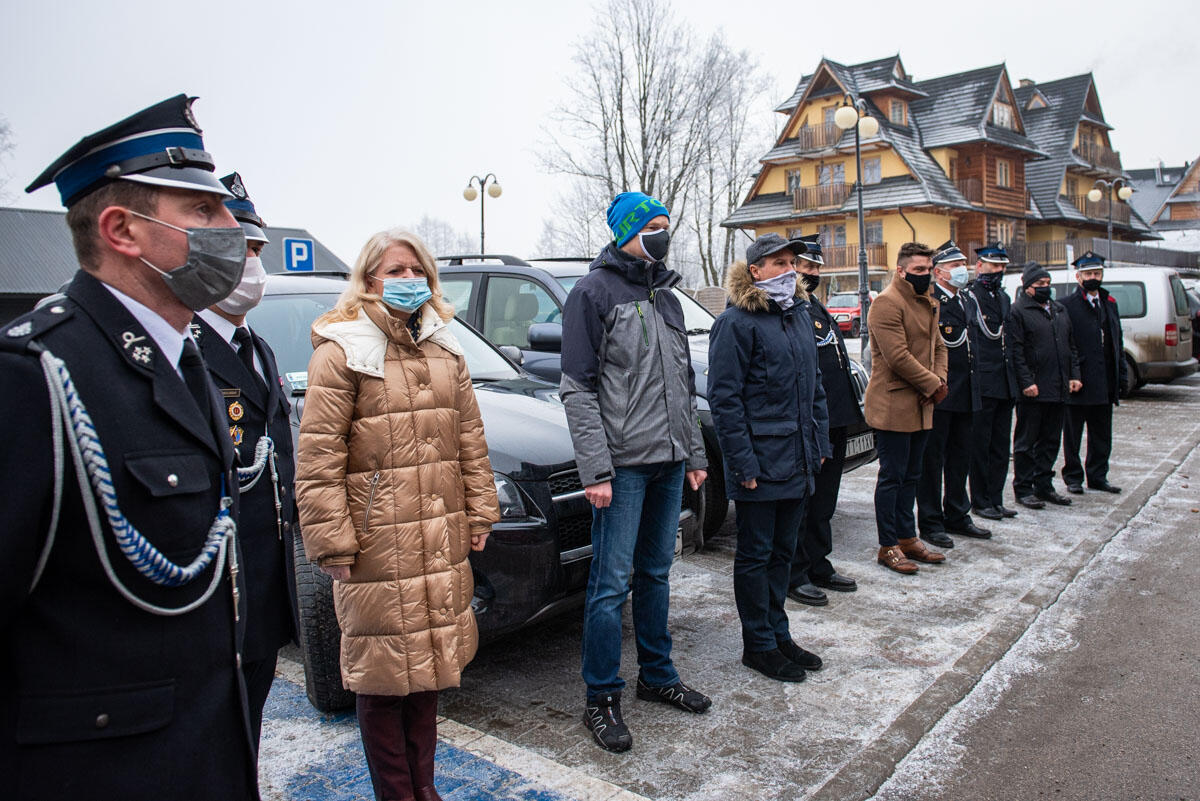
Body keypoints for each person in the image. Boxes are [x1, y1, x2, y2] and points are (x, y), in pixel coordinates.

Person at [0, 95, 259, 799]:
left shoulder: (188, 356)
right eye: (203, 212)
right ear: (123, 230)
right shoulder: (34, 377)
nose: (230, 227)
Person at [295, 229, 500, 801]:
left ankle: (425, 789)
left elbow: (469, 440)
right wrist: (332, 541)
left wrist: (481, 511)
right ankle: (397, 793)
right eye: (395, 270)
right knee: (383, 676)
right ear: (368, 279)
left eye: (417, 270)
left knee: (431, 667)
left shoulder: (446, 348)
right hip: (376, 542)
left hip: (436, 532)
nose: (409, 281)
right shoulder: (342, 349)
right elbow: (318, 457)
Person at [560, 191, 710, 753]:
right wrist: (596, 469)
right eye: (653, 226)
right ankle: (600, 697)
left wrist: (693, 455)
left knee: (656, 574)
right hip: (621, 469)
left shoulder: (667, 297)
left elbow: (684, 385)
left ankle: (658, 676)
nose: (663, 235)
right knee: (609, 586)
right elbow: (577, 387)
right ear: (626, 231)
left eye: (667, 227)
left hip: (669, 464)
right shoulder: (592, 293)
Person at [193, 172, 297, 746]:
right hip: (213, 599)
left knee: (246, 737)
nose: (252, 264)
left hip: (263, 595)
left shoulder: (258, 348)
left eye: (257, 250)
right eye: (240, 250)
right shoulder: (186, 347)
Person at [709, 234, 830, 682]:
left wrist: (818, 446)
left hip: (797, 459)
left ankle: (779, 633)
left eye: (791, 263)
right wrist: (742, 465)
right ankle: (757, 643)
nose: (788, 271)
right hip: (759, 463)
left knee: (784, 552)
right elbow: (725, 401)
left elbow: (814, 389)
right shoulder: (736, 323)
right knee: (757, 554)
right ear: (755, 271)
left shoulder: (798, 317)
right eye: (778, 263)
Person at [862, 242, 949, 574]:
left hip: (922, 403)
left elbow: (939, 346)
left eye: (928, 270)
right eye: (918, 271)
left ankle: (907, 536)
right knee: (893, 477)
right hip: (893, 404)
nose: (925, 276)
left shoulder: (928, 302)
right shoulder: (886, 304)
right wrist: (933, 385)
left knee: (912, 475)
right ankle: (888, 545)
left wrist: (938, 381)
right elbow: (897, 357)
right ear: (901, 270)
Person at [787, 234, 861, 605]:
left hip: (835, 417)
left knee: (825, 502)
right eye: (806, 266)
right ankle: (796, 570)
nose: (812, 272)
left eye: (816, 267)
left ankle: (819, 561)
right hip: (812, 421)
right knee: (804, 502)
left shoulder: (814, 305)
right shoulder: (790, 308)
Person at [917, 241, 990, 549]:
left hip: (968, 393)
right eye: (957, 265)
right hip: (942, 395)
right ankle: (932, 522)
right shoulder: (931, 302)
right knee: (932, 463)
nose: (964, 269)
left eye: (964, 263)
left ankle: (958, 514)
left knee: (961, 458)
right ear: (939, 272)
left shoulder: (967, 301)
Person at [1006, 262, 1082, 508]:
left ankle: (1044, 485)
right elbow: (1016, 351)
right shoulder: (1018, 312)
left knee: (1051, 440)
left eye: (1047, 284)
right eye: (1039, 285)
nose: (1045, 288)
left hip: (1058, 387)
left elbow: (1071, 346)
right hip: (1033, 390)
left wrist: (1074, 375)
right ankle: (1024, 488)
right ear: (1027, 287)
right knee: (1027, 442)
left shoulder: (1059, 310)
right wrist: (1026, 382)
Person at [1061, 251, 1125, 494]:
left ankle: (1098, 476)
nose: (1092, 277)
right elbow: (1066, 344)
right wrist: (1070, 375)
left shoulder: (1109, 303)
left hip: (1104, 381)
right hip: (1079, 380)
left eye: (1096, 273)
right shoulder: (1067, 305)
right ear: (1078, 276)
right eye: (1088, 273)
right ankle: (1073, 477)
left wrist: (1120, 377)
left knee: (1101, 434)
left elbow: (1116, 340)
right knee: (1073, 434)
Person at [966, 243, 1021, 521]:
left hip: (1004, 382)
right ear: (980, 266)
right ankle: (980, 500)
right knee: (981, 446)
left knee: (1001, 447)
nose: (998, 271)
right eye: (994, 266)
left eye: (1002, 267)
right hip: (984, 383)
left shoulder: (1003, 298)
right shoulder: (971, 297)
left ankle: (996, 498)